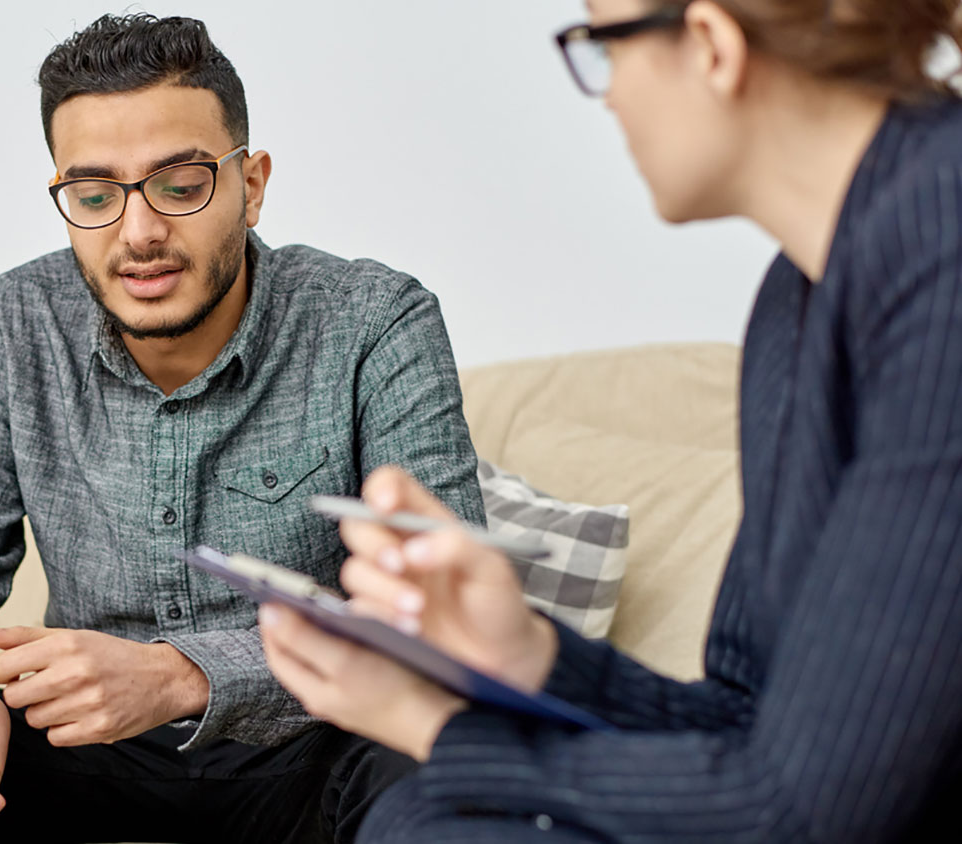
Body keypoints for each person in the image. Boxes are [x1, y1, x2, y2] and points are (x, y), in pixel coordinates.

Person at [0, 12, 494, 844]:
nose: (139, 232)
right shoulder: (15, 324)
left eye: (181, 185)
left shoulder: (374, 320)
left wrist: (186, 675)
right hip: (84, 755)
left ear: (251, 185)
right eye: (94, 195)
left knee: (453, 751)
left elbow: (446, 622)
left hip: (310, 751)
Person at [260, 0, 962, 841]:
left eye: (602, 45)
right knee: (423, 814)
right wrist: (530, 654)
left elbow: (803, 810)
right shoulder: (795, 301)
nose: (606, 97)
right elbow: (740, 719)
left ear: (711, 45)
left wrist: (432, 726)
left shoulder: (941, 256)